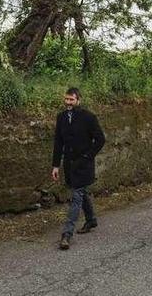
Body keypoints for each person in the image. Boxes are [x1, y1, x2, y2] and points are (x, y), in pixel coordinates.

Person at [51, 87, 106, 250]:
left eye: (71, 100)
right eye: (66, 99)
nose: (68, 103)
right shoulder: (60, 118)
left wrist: (87, 156)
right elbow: (58, 143)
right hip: (69, 164)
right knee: (81, 192)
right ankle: (91, 219)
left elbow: (100, 139)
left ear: (78, 100)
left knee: (76, 196)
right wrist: (55, 165)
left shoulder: (88, 117)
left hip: (84, 165)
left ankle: (66, 234)